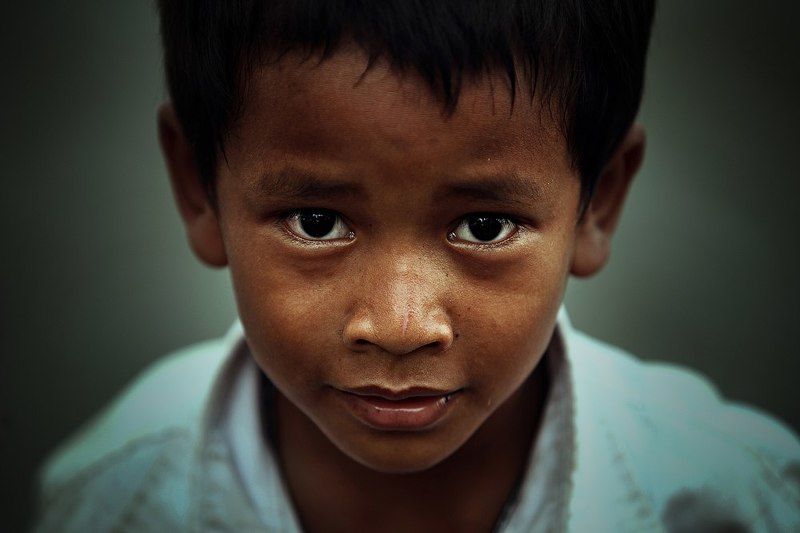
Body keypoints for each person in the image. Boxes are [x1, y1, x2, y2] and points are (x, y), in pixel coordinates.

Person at [33, 1, 800, 531]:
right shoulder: (107, 496)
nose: (399, 325)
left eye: (485, 225)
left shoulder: (739, 500)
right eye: (317, 222)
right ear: (199, 187)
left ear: (599, 201)